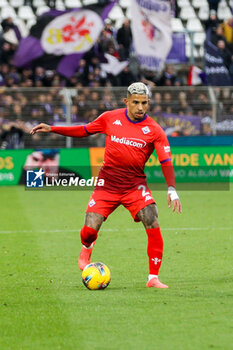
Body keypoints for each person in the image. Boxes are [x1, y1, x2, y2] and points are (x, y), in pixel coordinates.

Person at [30, 82, 182, 289]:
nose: (140, 107)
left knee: (152, 218)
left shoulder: (155, 130)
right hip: (107, 184)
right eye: (135, 102)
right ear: (126, 101)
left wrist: (172, 189)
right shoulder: (110, 118)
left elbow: (166, 161)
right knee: (89, 230)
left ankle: (152, 278)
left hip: (134, 185)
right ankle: (87, 245)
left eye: (144, 103)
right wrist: (53, 128)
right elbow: (84, 130)